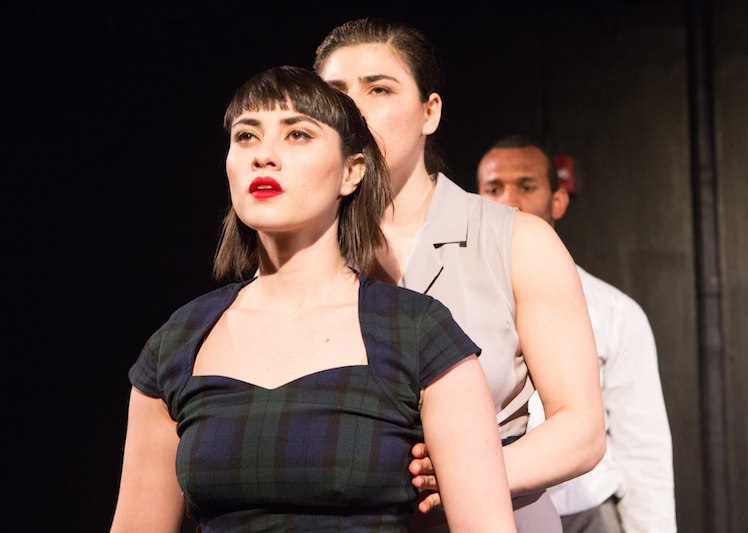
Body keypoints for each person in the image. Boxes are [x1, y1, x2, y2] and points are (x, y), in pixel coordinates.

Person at [110, 65, 518, 532]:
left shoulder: (418, 332)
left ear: (351, 171)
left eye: (297, 135)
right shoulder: (180, 341)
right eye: (246, 136)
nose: (264, 156)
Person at [314, 18, 606, 531]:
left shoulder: (514, 239)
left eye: (379, 89)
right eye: (337, 93)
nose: (355, 108)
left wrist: (467, 473)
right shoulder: (307, 250)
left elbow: (581, 429)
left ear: (429, 112)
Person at [477, 134, 676, 532]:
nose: (508, 200)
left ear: (558, 201)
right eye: (494, 189)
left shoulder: (614, 311)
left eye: (526, 186)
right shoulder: (450, 304)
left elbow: (642, 447)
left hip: (585, 511)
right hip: (490, 507)